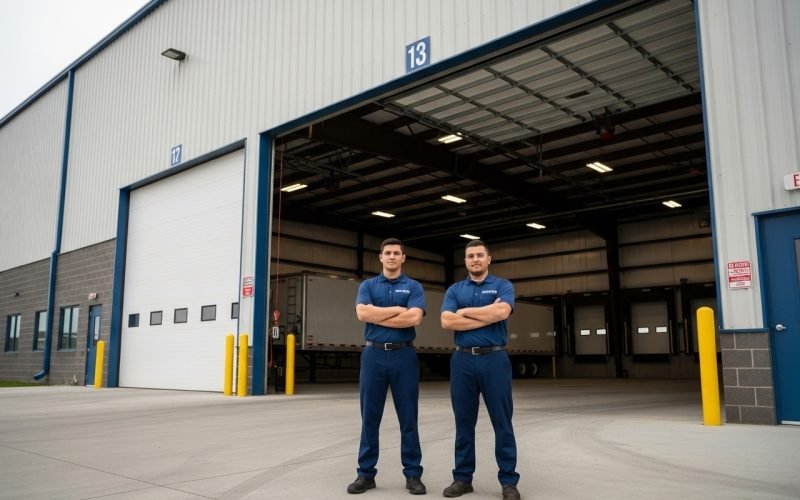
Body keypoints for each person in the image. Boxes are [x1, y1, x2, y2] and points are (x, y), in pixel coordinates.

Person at [440, 240, 521, 500]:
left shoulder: (502, 286)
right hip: (462, 361)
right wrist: (486, 313)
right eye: (470, 256)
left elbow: (501, 312)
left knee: (502, 422)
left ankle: (508, 481)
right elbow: (446, 320)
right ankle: (462, 478)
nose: (475, 259)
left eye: (479, 255)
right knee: (464, 422)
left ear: (489, 259)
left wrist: (464, 313)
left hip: (494, 360)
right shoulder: (454, 289)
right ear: (465, 261)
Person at [347, 238, 427, 496]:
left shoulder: (413, 286)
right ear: (380, 257)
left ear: (403, 258)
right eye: (387, 253)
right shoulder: (368, 285)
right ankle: (365, 474)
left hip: (404, 357)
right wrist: (396, 311)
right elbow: (362, 315)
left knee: (408, 418)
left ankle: (413, 474)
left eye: (396, 253)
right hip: (374, 356)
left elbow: (414, 318)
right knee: (370, 418)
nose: (392, 257)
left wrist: (378, 313)